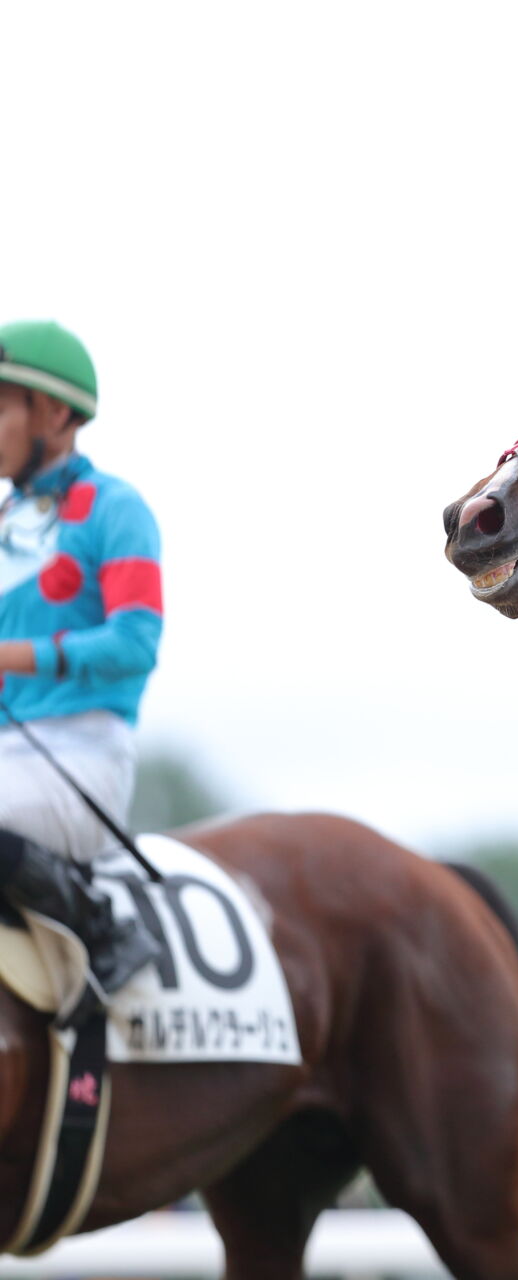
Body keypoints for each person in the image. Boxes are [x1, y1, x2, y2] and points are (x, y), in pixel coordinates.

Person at [0, 318, 165, 1009]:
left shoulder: (117, 509)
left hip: (85, 762)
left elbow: (135, 643)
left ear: (54, 413)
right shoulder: (7, 524)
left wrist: (13, 655)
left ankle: (103, 929)